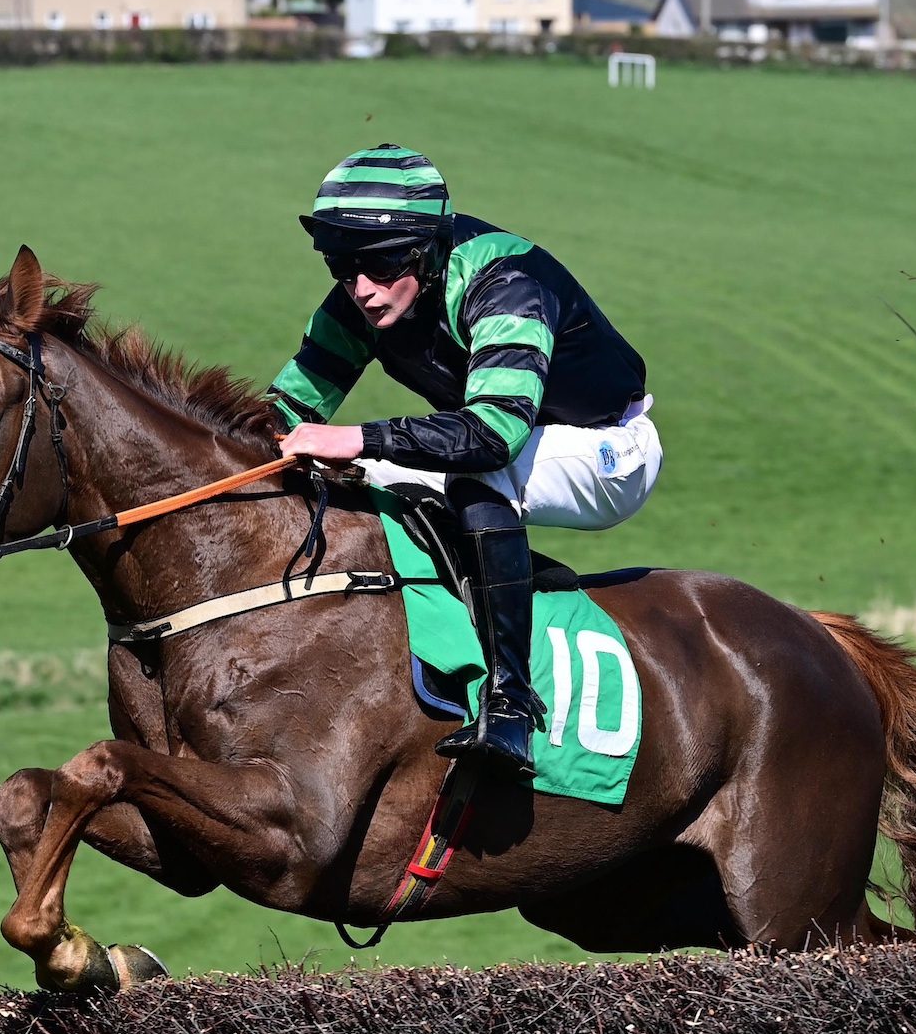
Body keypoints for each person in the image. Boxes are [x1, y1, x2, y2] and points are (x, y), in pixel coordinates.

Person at [269, 145, 660, 779]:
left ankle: (511, 706)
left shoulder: (505, 282)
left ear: (426, 249)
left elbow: (494, 434)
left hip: (608, 452)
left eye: (381, 265)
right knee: (347, 479)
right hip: (511, 441)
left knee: (474, 478)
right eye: (343, 266)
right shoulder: (360, 300)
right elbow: (280, 414)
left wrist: (357, 436)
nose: (362, 290)